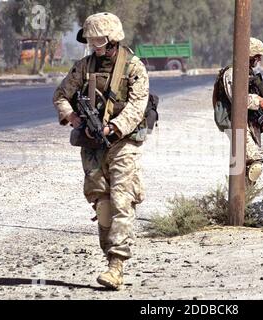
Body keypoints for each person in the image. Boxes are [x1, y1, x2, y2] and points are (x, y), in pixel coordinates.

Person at [53, 12, 149, 290]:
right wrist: (73, 118)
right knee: (104, 207)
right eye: (91, 41)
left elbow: (136, 106)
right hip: (92, 147)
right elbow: (61, 95)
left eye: (100, 41)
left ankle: (116, 265)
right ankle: (109, 255)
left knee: (122, 202)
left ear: (114, 39)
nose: (95, 46)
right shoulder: (83, 67)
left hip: (123, 143)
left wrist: (113, 128)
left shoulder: (134, 68)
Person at [213, 38, 263, 185]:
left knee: (241, 164)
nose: (259, 60)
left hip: (245, 122)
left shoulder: (247, 72)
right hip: (233, 120)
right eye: (257, 56)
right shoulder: (232, 72)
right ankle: (238, 200)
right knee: (254, 162)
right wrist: (257, 100)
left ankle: (240, 202)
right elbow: (238, 98)